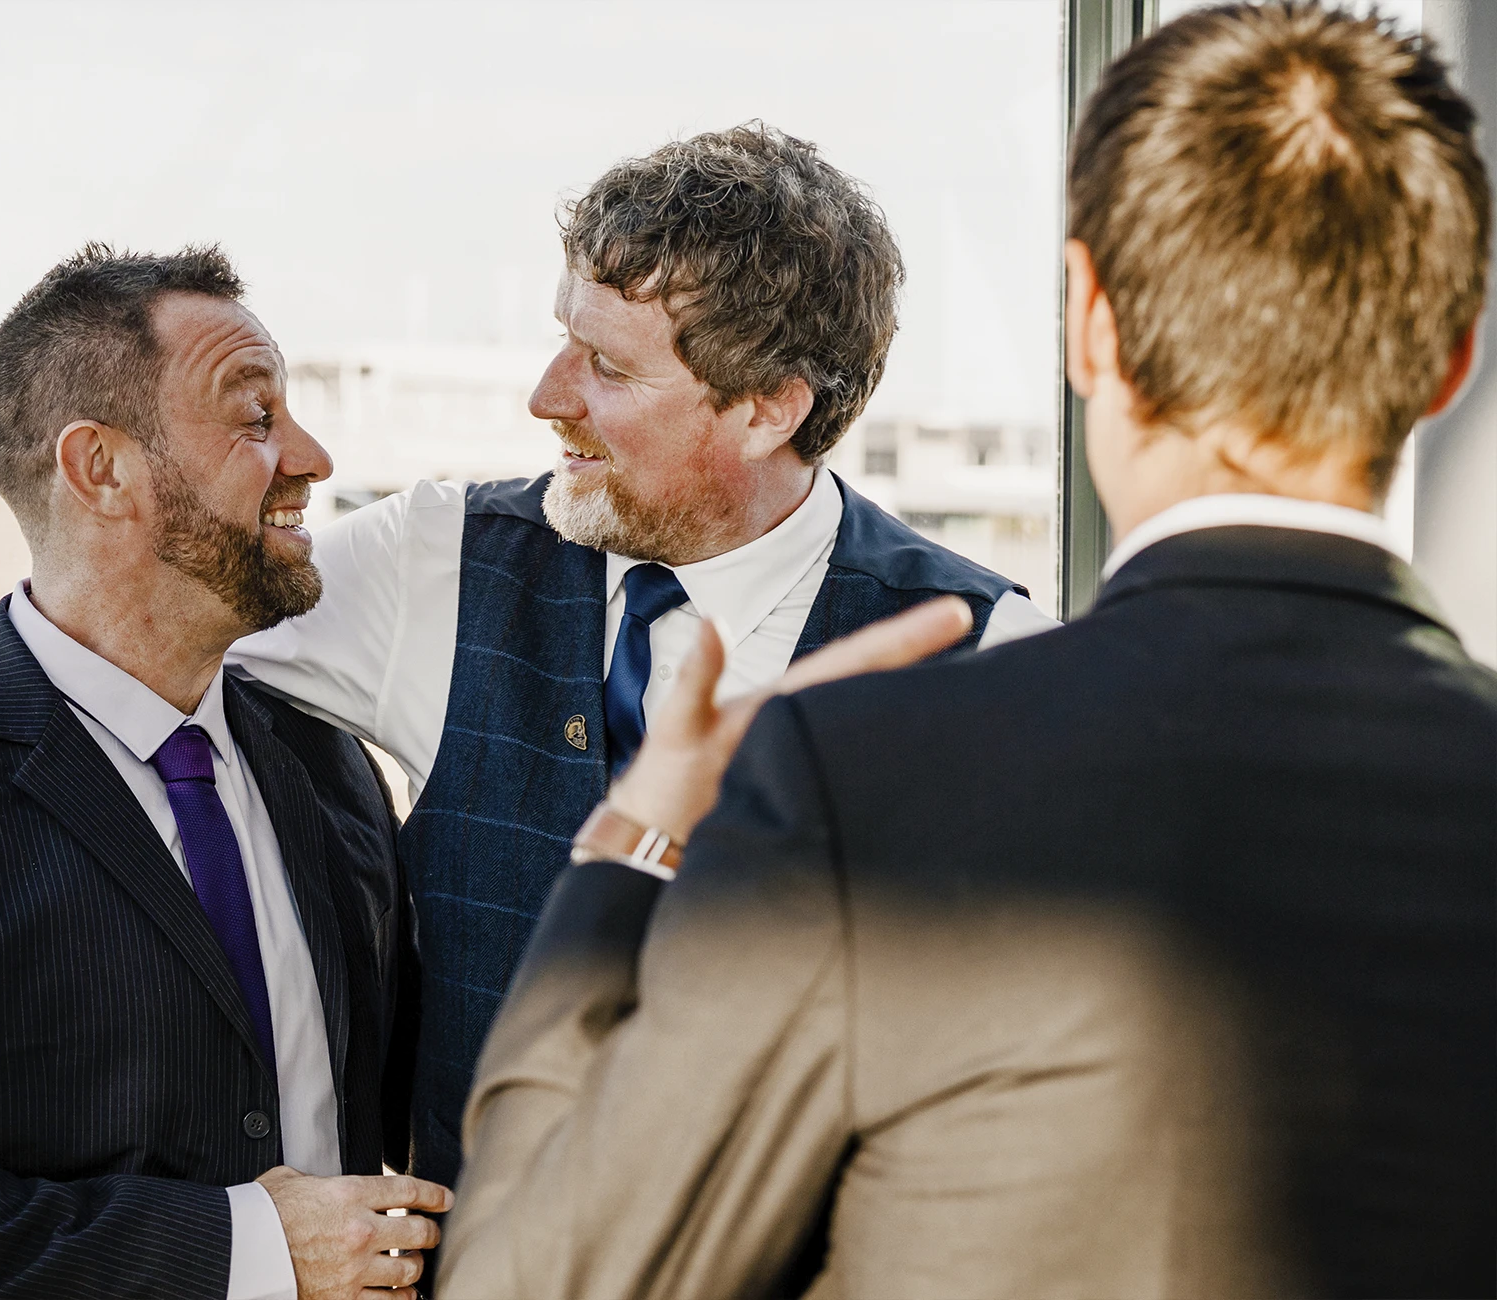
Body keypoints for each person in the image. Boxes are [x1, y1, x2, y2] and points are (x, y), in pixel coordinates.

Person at [438, 6, 1496, 1298]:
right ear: (1452, 359)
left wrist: (632, 844)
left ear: (1088, 323)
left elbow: (537, 1276)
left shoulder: (852, 777)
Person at [229, 124, 1054, 1185]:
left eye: (609, 367)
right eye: (564, 340)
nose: (547, 396)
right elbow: (137, 653)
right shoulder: (430, 560)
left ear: (768, 409)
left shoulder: (995, 662)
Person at [0, 246, 451, 1300]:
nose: (313, 457)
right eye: (256, 417)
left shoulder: (325, 759)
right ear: (100, 468)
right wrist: (246, 1248)